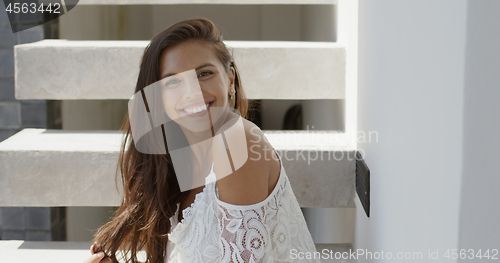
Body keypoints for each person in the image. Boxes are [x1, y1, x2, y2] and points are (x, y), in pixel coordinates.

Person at [83, 17, 319, 263]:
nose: (192, 92)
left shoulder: (236, 140)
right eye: (173, 81)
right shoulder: (176, 159)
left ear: (229, 80)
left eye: (204, 73)